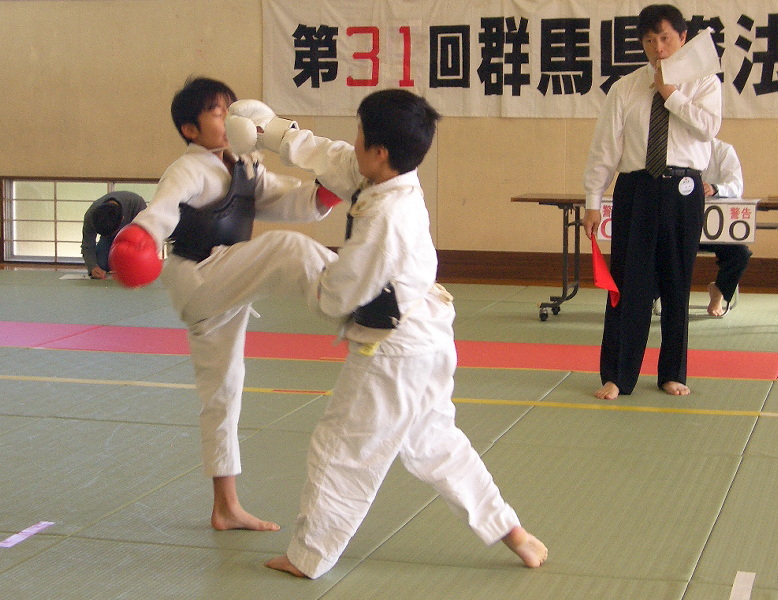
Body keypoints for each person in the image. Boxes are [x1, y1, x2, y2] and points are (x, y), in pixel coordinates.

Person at [229, 89, 547, 579]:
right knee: (435, 442)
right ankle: (512, 531)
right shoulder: (386, 175)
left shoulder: (387, 218)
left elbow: (339, 295)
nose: (353, 142)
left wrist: (302, 269)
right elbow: (331, 156)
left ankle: (308, 556)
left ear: (379, 151)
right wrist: (272, 132)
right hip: (429, 338)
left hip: (394, 352)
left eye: (361, 136)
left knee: (342, 448)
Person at [108, 76, 339, 532]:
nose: (229, 120)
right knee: (286, 249)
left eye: (232, 111)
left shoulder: (246, 166)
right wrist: (141, 237)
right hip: (201, 278)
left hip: (225, 284)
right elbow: (163, 208)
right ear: (190, 129)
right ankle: (358, 296)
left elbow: (286, 198)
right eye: (217, 113)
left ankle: (225, 506)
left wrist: (322, 194)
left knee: (223, 394)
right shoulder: (188, 169)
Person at [583, 4, 722, 400]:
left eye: (665, 38)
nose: (658, 48)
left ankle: (672, 373)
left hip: (684, 190)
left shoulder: (704, 83)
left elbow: (709, 128)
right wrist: (593, 199)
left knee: (677, 283)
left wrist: (671, 95)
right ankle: (618, 375)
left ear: (682, 38)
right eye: (649, 40)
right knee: (629, 285)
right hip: (637, 189)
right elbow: (605, 148)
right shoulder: (625, 87)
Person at [700, 138, 750, 316]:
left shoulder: (723, 150)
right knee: (658, 248)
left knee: (740, 254)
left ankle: (718, 292)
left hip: (716, 229)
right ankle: (653, 297)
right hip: (681, 226)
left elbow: (736, 186)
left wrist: (715, 189)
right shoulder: (676, 148)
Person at [81, 191, 146, 279]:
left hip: (133, 238)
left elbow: (146, 237)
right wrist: (92, 267)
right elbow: (88, 244)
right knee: (101, 264)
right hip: (107, 241)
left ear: (122, 219)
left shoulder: (137, 204)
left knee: (136, 268)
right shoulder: (91, 215)